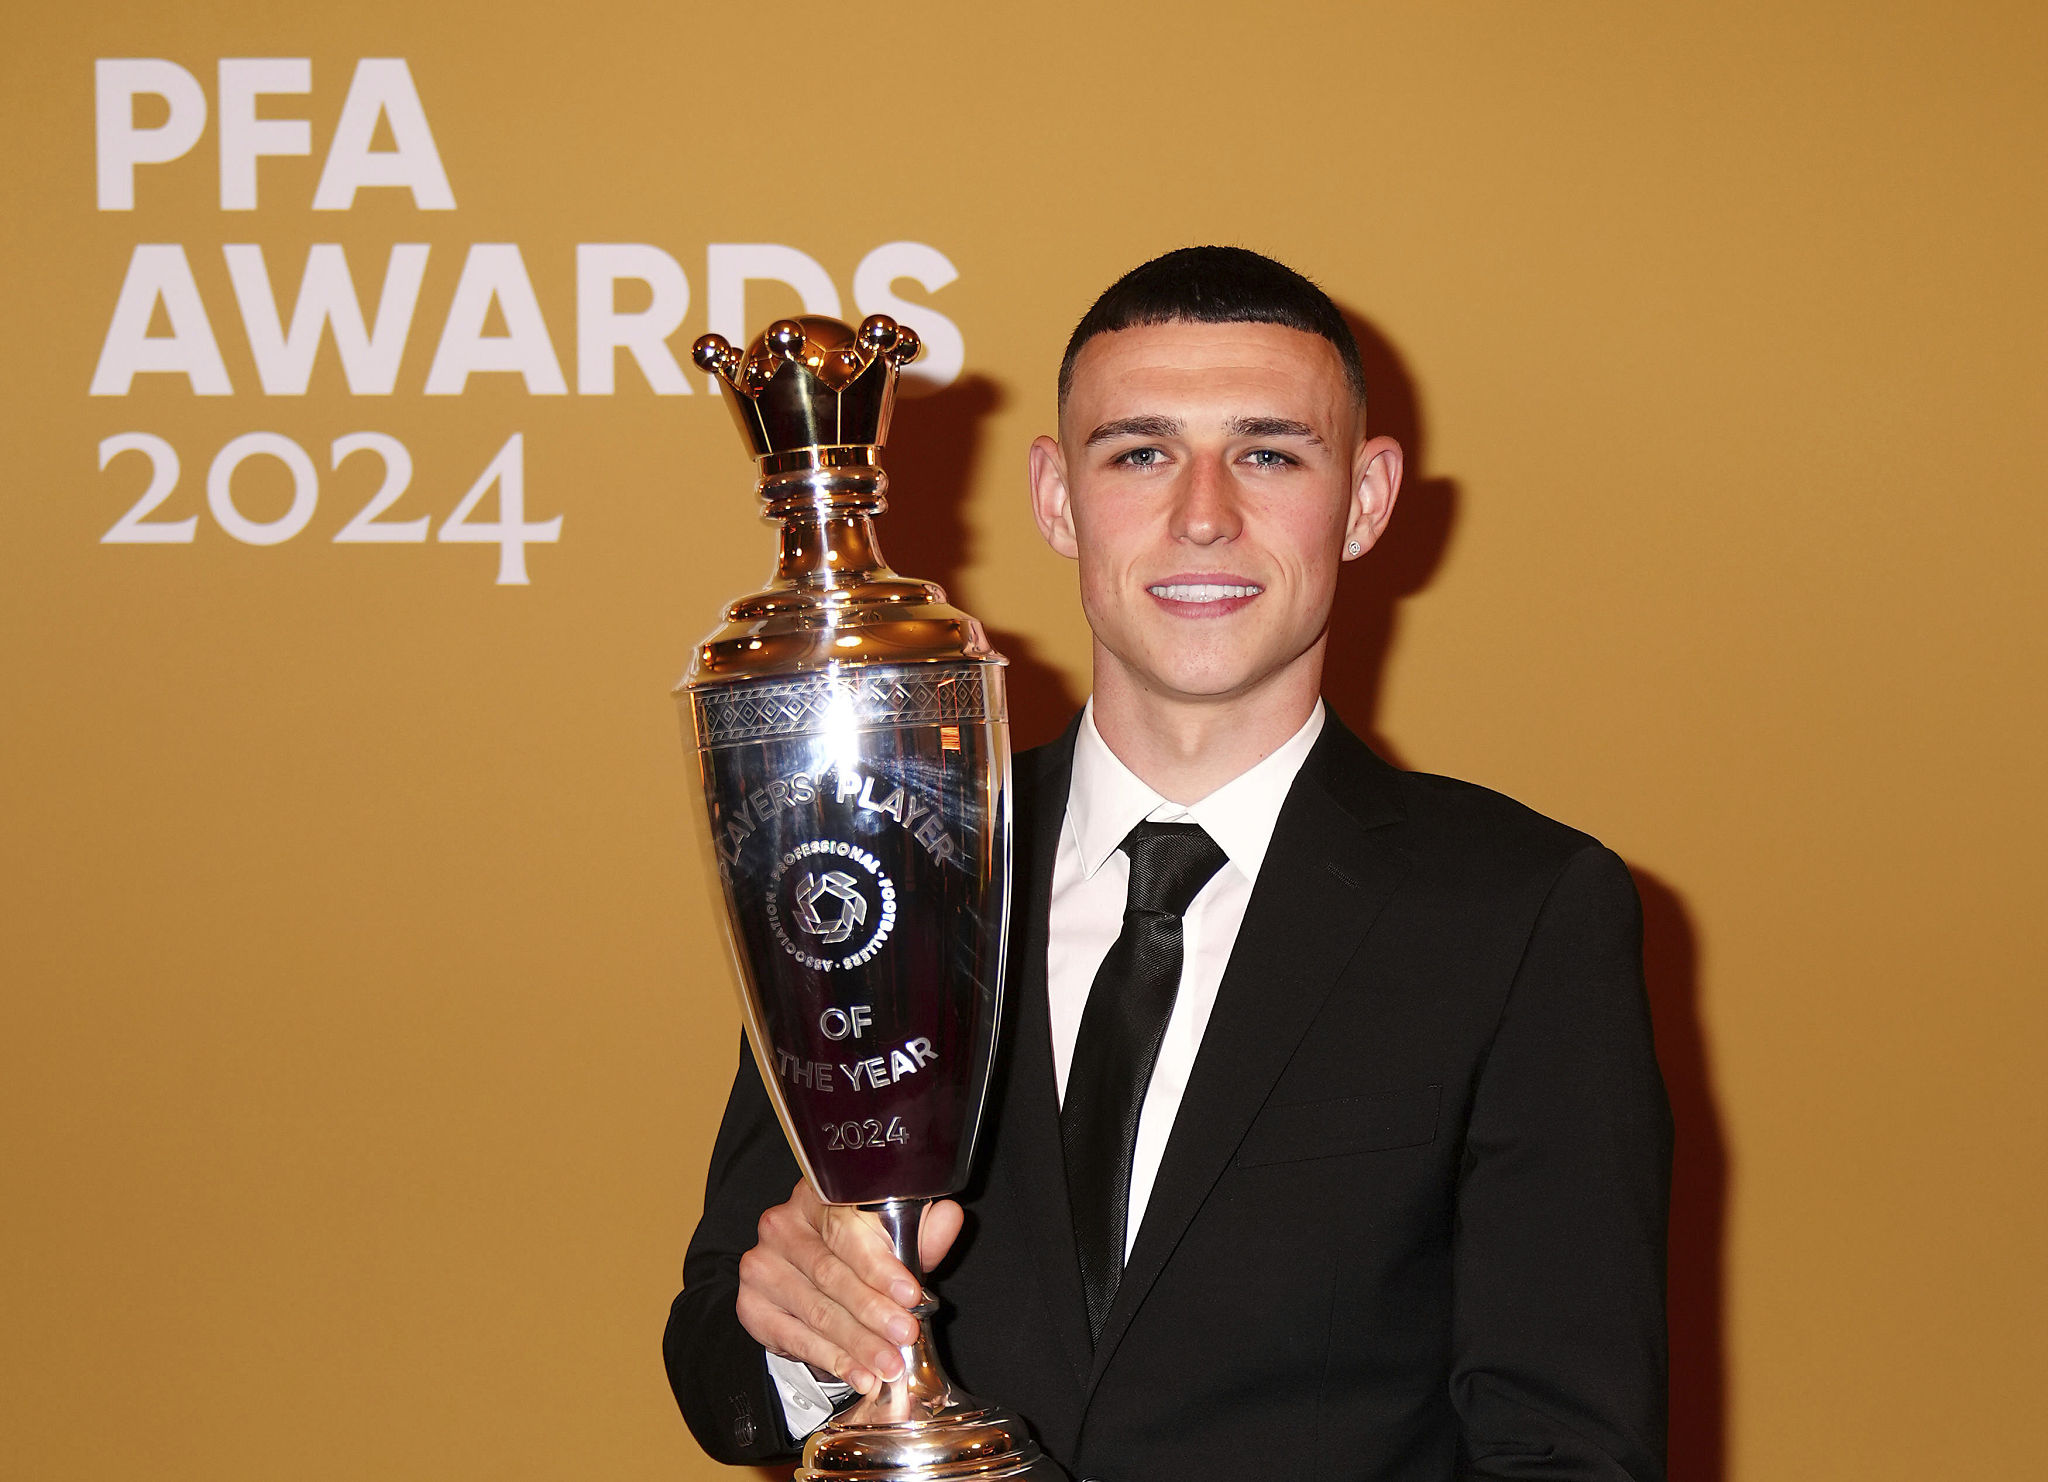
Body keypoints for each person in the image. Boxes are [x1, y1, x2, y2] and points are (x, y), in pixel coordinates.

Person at [664, 246, 1672, 1481]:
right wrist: (808, 1337)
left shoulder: (1517, 913)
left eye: (1267, 453)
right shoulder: (887, 855)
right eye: (1138, 452)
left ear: (1363, 499)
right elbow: (722, 1377)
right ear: (1052, 495)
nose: (1203, 513)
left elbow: (1564, 1450)